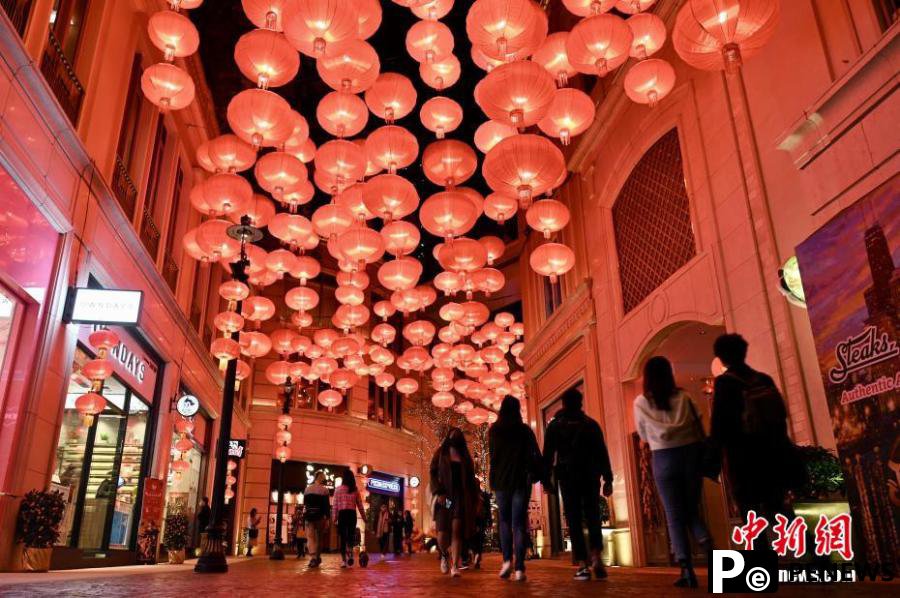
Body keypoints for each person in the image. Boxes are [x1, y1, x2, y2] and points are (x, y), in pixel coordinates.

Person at [634, 356, 713, 588]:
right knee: (691, 509)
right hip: (690, 456)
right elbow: (700, 423)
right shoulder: (685, 397)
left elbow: (643, 434)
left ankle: (687, 569)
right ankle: (708, 547)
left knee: (674, 515)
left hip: (663, 457)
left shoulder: (642, 402)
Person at [710, 334, 801, 525]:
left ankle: (762, 554)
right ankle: (812, 548)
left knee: (751, 516)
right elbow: (781, 417)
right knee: (779, 509)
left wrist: (713, 459)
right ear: (744, 352)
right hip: (770, 455)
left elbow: (720, 425)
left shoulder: (724, 384)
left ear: (721, 357)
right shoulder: (763, 379)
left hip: (742, 460)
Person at [543, 386, 613, 581]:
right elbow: (602, 452)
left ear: (563, 404)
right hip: (590, 475)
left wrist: (546, 480)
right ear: (580, 403)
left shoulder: (555, 426)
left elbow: (548, 455)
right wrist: (608, 478)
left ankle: (582, 564)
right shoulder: (591, 424)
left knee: (573, 518)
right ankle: (597, 556)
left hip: (567, 476)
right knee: (593, 515)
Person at [489, 395, 543, 581]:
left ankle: (506, 562)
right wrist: (537, 474)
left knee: (504, 521)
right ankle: (519, 568)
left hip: (502, 482)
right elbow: (535, 453)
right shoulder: (524, 430)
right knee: (518, 523)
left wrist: (492, 481)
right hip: (521, 480)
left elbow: (493, 458)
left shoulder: (495, 430)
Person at [430, 427, 479, 578]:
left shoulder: (465, 457)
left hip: (459, 498)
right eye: (453, 434)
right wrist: (438, 491)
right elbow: (432, 472)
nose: (455, 436)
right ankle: (444, 554)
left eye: (458, 435)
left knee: (457, 529)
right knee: (443, 533)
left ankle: (455, 565)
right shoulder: (440, 453)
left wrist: (474, 500)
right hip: (445, 498)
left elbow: (471, 480)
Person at [333, 472, 366, 567]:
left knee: (343, 538)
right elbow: (360, 505)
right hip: (351, 515)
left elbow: (335, 505)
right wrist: (364, 517)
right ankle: (350, 554)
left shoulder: (338, 490)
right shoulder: (354, 490)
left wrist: (334, 517)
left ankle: (343, 561)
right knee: (350, 536)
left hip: (342, 514)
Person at [304, 470, 331, 568]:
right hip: (319, 517)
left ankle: (313, 558)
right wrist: (327, 518)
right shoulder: (324, 490)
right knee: (319, 538)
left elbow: (305, 505)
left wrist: (306, 516)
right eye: (323, 476)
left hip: (309, 516)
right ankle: (317, 557)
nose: (324, 477)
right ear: (319, 477)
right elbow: (326, 506)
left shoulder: (307, 489)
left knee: (310, 537)